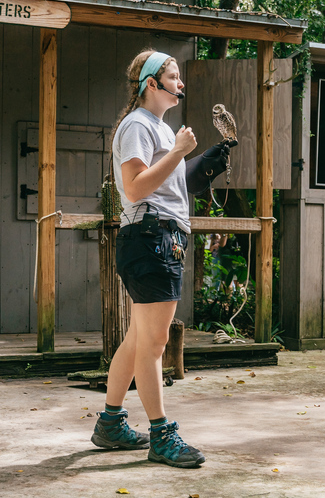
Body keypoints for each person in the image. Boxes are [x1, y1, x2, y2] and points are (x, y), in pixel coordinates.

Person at [90, 49, 228, 468]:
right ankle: (161, 436)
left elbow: (167, 184)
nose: (181, 83)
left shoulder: (160, 129)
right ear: (152, 83)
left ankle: (111, 424)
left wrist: (201, 165)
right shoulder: (137, 125)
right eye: (174, 76)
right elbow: (133, 189)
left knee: (138, 341)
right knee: (154, 344)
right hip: (151, 237)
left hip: (159, 236)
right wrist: (179, 151)